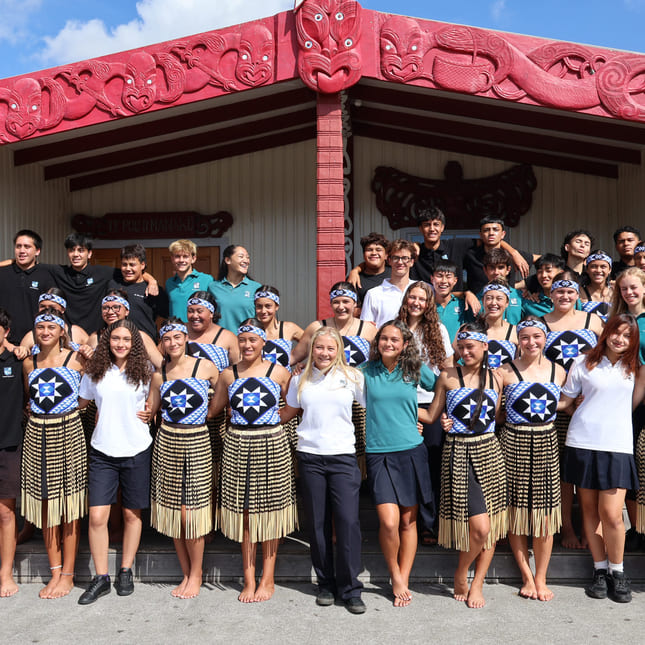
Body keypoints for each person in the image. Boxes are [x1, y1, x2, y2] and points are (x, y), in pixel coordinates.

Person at [559, 314, 645, 603]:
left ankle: (618, 572)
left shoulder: (636, 368)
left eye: (627, 336)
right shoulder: (583, 362)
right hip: (582, 442)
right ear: (606, 332)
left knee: (612, 515)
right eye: (615, 333)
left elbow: (632, 404)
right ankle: (599, 570)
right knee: (589, 511)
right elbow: (566, 400)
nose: (620, 339)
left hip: (618, 446)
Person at [209, 319, 295, 602]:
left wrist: (274, 421)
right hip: (237, 444)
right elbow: (213, 410)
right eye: (242, 340)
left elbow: (294, 404)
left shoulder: (280, 372)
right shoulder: (227, 375)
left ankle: (267, 578)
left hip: (271, 444)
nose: (247, 345)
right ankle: (248, 579)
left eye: (252, 340)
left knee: (269, 514)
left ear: (263, 343)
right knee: (245, 514)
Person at [422, 321, 507, 609]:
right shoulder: (447, 376)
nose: (465, 351)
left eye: (471, 346)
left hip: (490, 451)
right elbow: (433, 415)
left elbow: (496, 418)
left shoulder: (497, 378)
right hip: (459, 452)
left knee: (491, 525)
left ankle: (478, 582)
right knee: (480, 527)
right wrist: (397, 404)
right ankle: (461, 573)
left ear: (485, 346)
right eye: (461, 346)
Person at [282, 327, 366, 614]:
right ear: (312, 349)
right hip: (311, 458)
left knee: (347, 522)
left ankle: (351, 588)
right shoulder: (299, 379)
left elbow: (376, 407)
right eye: (319, 348)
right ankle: (326, 583)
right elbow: (288, 413)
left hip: (342, 457)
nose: (324, 354)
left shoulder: (353, 377)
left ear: (339, 350)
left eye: (331, 349)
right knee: (317, 525)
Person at [76, 319, 154, 605]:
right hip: (102, 451)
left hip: (136, 448)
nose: (120, 344)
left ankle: (125, 570)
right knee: (97, 516)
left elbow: (154, 401)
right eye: (115, 338)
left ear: (134, 343)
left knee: (132, 515)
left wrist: (151, 412)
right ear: (107, 341)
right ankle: (101, 577)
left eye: (126, 339)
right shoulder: (95, 371)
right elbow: (80, 403)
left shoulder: (145, 371)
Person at [361, 319, 436, 607]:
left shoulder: (414, 370)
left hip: (411, 451)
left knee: (408, 520)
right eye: (383, 339)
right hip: (378, 452)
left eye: (394, 340)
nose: (388, 344)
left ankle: (402, 576)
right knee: (388, 522)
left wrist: (429, 416)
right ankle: (394, 572)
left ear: (405, 344)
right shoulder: (366, 372)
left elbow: (444, 384)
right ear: (377, 343)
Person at [147, 319, 219, 599]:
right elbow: (152, 409)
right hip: (167, 441)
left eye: (178, 337)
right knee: (173, 511)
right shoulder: (159, 375)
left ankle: (197, 573)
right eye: (167, 339)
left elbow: (225, 391)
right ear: (161, 343)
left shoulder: (206, 367)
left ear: (186, 338)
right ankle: (186, 572)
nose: (173, 343)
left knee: (192, 513)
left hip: (197, 441)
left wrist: (211, 413)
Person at [497, 318, 566, 601]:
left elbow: (565, 401)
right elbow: (494, 410)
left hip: (547, 443)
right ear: (517, 340)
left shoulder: (559, 371)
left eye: (537, 336)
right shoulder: (503, 371)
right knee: (516, 511)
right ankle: (526, 574)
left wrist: (572, 403)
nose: (531, 342)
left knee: (544, 514)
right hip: (513, 442)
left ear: (546, 338)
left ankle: (541, 577)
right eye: (524, 337)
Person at [21, 308, 86, 599]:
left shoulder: (77, 359)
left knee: (69, 507)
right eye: (40, 327)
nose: (45, 332)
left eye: (51, 327)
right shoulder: (28, 363)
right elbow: (29, 398)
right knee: (47, 505)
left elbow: (94, 391)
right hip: (37, 435)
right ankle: (55, 571)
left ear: (62, 331)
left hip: (69, 433)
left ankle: (69, 575)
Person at [543, 271, 604, 550]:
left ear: (578, 294)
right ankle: (566, 527)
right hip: (557, 404)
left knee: (592, 469)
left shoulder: (593, 321)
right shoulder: (542, 323)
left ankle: (596, 531)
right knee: (564, 473)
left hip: (590, 403)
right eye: (559, 291)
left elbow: (609, 357)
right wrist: (564, 402)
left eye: (570, 292)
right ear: (550, 294)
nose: (564, 296)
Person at [292, 283, 376, 473]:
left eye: (346, 301)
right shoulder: (317, 327)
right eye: (336, 302)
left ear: (355, 303)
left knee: (358, 451)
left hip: (357, 397)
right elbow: (295, 355)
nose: (341, 306)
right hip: (327, 396)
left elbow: (381, 359)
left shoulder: (368, 329)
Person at [396, 281, 453, 545]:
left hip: (430, 403)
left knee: (431, 464)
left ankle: (429, 524)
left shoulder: (437, 329)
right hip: (399, 404)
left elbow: (447, 368)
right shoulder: (394, 328)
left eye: (422, 298)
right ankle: (404, 522)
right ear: (406, 299)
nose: (416, 302)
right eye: (412, 297)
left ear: (429, 303)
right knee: (403, 464)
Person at [184, 291, 238, 488]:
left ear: (212, 313)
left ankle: (213, 514)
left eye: (200, 311)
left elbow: (240, 372)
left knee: (214, 467)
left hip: (216, 412)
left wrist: (233, 405)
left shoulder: (227, 337)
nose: (194, 315)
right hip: (182, 414)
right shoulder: (179, 334)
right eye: (190, 311)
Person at [0, 309, 25, 597]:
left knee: (6, 513)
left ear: (6, 332)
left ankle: (5, 574)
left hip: (7, 444)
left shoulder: (18, 361)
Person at [0, 230, 55, 344]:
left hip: (35, 343)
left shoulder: (46, 276)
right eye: (18, 246)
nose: (22, 251)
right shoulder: (3, 273)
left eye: (27, 247)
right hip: (4, 343)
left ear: (37, 251)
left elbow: (51, 311)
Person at [87, 290, 162, 368]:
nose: (110, 312)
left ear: (126, 311)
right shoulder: (95, 338)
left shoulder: (141, 337)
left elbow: (161, 366)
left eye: (116, 307)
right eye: (105, 308)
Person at [109, 244, 169, 342]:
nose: (128, 269)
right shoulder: (113, 284)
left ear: (142, 265)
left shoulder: (154, 290)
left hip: (145, 346)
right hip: (118, 344)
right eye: (124, 264)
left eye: (132, 265)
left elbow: (166, 317)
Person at [462, 216, 535, 295]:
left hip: (508, 303)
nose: (491, 233)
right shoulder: (470, 255)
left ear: (503, 234)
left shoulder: (512, 255)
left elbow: (544, 260)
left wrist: (519, 286)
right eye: (486, 230)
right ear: (480, 234)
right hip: (478, 304)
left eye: (495, 230)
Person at [360, 240, 417, 329]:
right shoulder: (373, 294)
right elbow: (365, 330)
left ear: (412, 262)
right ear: (389, 260)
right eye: (396, 258)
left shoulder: (422, 289)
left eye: (405, 258)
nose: (400, 262)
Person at [208, 245, 261, 332]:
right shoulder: (213, 287)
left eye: (247, 257)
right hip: (220, 342)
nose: (246, 261)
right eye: (241, 257)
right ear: (228, 260)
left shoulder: (256, 288)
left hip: (246, 342)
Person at [19, 289, 88, 354]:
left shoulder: (77, 332)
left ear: (63, 309)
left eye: (52, 307)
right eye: (42, 306)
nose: (47, 310)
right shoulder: (31, 336)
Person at [254, 285, 303, 371]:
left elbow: (314, 344)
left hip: (284, 383)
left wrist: (308, 365)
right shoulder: (250, 330)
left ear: (276, 306)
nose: (263, 311)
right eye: (259, 306)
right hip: (259, 383)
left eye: (268, 306)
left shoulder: (288, 328)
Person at [165, 239, 214, 320]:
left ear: (193, 259)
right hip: (177, 330)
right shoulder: (169, 283)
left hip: (199, 331)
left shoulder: (207, 280)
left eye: (185, 256)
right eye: (177, 256)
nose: (181, 260)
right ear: (172, 259)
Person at [479, 281, 518, 369]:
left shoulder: (516, 332)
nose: (493, 303)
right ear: (483, 301)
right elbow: (451, 360)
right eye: (489, 298)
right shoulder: (471, 330)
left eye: (499, 298)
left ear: (507, 303)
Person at [479, 249, 523, 324]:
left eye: (500, 267)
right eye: (492, 268)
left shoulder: (521, 296)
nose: (496, 272)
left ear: (508, 270)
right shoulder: (476, 299)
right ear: (485, 270)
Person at [430, 261, 471, 342]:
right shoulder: (426, 305)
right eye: (439, 276)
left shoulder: (463, 305)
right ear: (432, 279)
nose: (444, 281)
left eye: (448, 276)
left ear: (455, 280)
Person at [580, 251, 613, 321]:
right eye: (593, 266)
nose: (598, 270)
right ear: (587, 269)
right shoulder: (580, 293)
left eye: (603, 267)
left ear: (609, 270)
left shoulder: (616, 292)